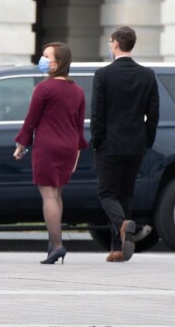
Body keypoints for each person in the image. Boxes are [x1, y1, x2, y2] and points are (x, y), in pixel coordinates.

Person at [13, 42, 87, 265]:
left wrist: (21, 145)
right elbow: (79, 125)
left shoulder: (43, 89)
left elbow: (31, 121)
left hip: (48, 146)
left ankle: (57, 246)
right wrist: (77, 151)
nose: (42, 59)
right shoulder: (78, 90)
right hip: (68, 146)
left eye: (47, 56)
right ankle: (54, 244)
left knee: (48, 196)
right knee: (57, 194)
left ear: (59, 62)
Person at [91, 26, 159, 263]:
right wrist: (147, 140)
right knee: (125, 195)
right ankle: (117, 248)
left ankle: (122, 225)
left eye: (111, 42)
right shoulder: (147, 75)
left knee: (107, 193)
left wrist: (96, 140)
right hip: (136, 144)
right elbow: (154, 114)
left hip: (110, 143)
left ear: (116, 44)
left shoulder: (103, 75)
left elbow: (98, 114)